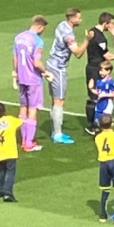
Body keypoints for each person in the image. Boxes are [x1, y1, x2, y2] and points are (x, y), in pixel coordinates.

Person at [46, 8, 89, 144]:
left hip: (51, 63)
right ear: (72, 18)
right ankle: (58, 134)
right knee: (59, 100)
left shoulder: (61, 25)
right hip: (58, 68)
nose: (80, 20)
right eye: (78, 18)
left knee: (54, 99)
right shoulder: (68, 33)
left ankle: (55, 130)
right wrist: (87, 40)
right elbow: (77, 53)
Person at [14, 15, 53, 151]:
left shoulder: (18, 37)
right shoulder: (38, 41)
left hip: (21, 77)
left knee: (23, 107)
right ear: (40, 26)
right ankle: (28, 142)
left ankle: (23, 138)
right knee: (33, 109)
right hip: (33, 79)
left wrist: (15, 72)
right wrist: (45, 72)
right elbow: (37, 62)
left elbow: (15, 57)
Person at [84, 12, 114, 134]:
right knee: (95, 96)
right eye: (111, 25)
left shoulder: (92, 31)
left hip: (91, 66)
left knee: (94, 95)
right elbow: (108, 56)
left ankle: (95, 122)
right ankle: (92, 125)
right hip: (96, 69)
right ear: (105, 23)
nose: (112, 28)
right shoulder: (100, 38)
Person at [0, 103, 22, 202]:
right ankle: (8, 193)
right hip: (11, 151)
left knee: (2, 170)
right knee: (10, 171)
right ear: (4, 110)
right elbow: (20, 124)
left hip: (1, 152)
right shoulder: (10, 119)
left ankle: (0, 190)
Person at [90, 61, 114, 127]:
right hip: (99, 104)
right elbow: (98, 92)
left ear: (108, 71)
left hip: (107, 104)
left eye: (102, 70)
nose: (100, 72)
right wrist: (91, 89)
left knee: (106, 122)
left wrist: (104, 95)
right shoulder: (99, 81)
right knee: (97, 122)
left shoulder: (111, 82)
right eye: (100, 70)